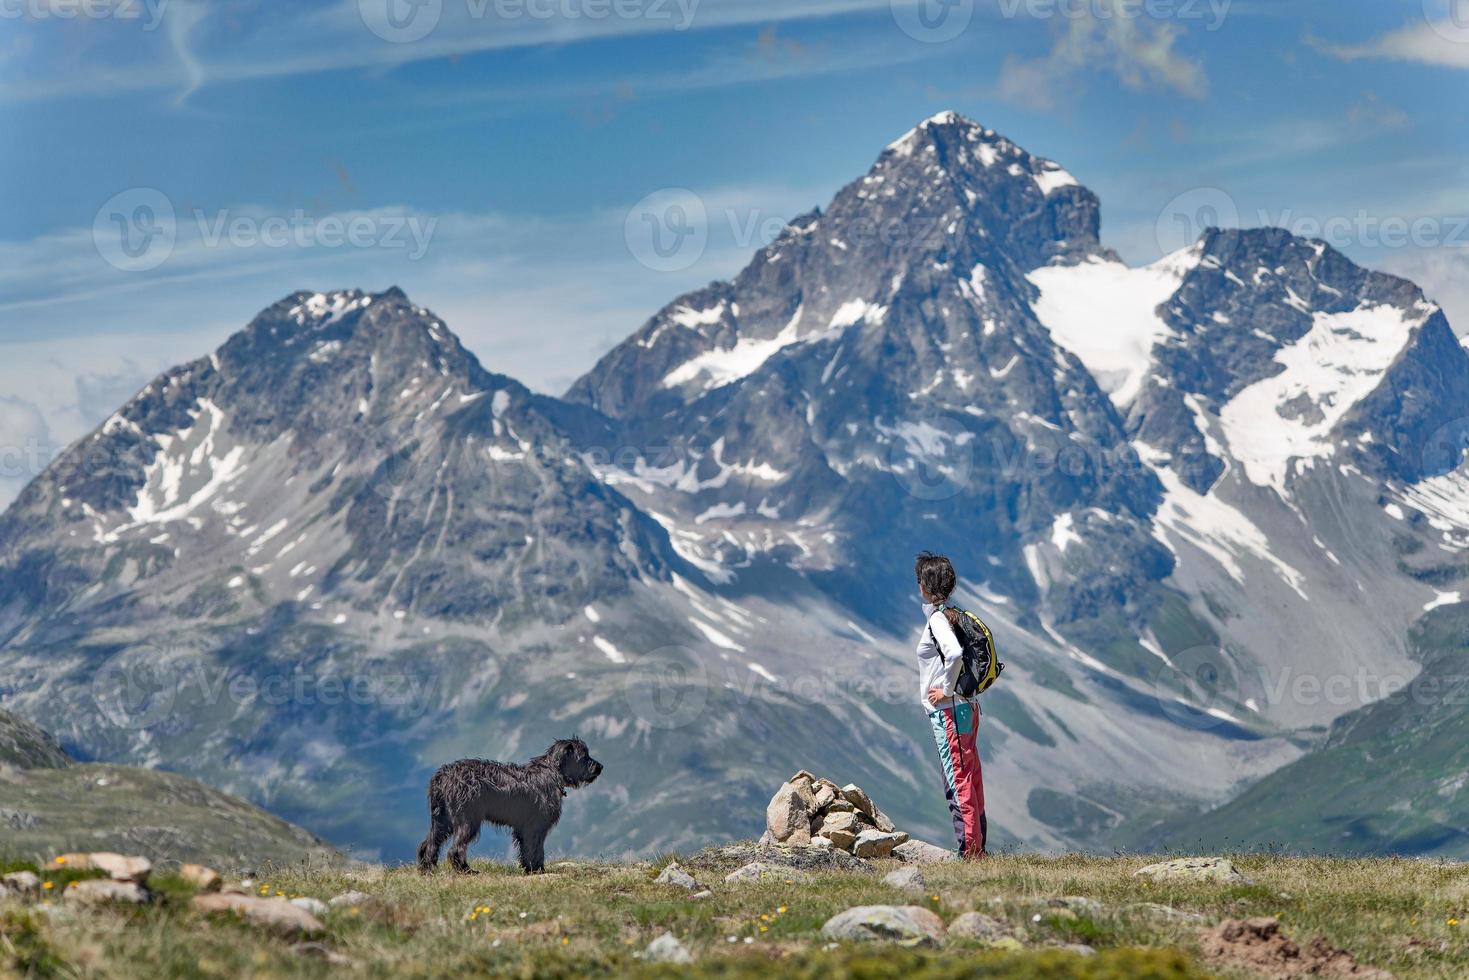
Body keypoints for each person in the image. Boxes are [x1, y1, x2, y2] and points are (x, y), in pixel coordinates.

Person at [914, 551, 986, 858]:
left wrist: (943, 690)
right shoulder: (953, 615)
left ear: (926, 587)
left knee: (957, 780)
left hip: (949, 712)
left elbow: (954, 654)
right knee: (970, 777)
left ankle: (969, 852)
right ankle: (977, 847)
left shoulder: (938, 620)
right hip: (965, 708)